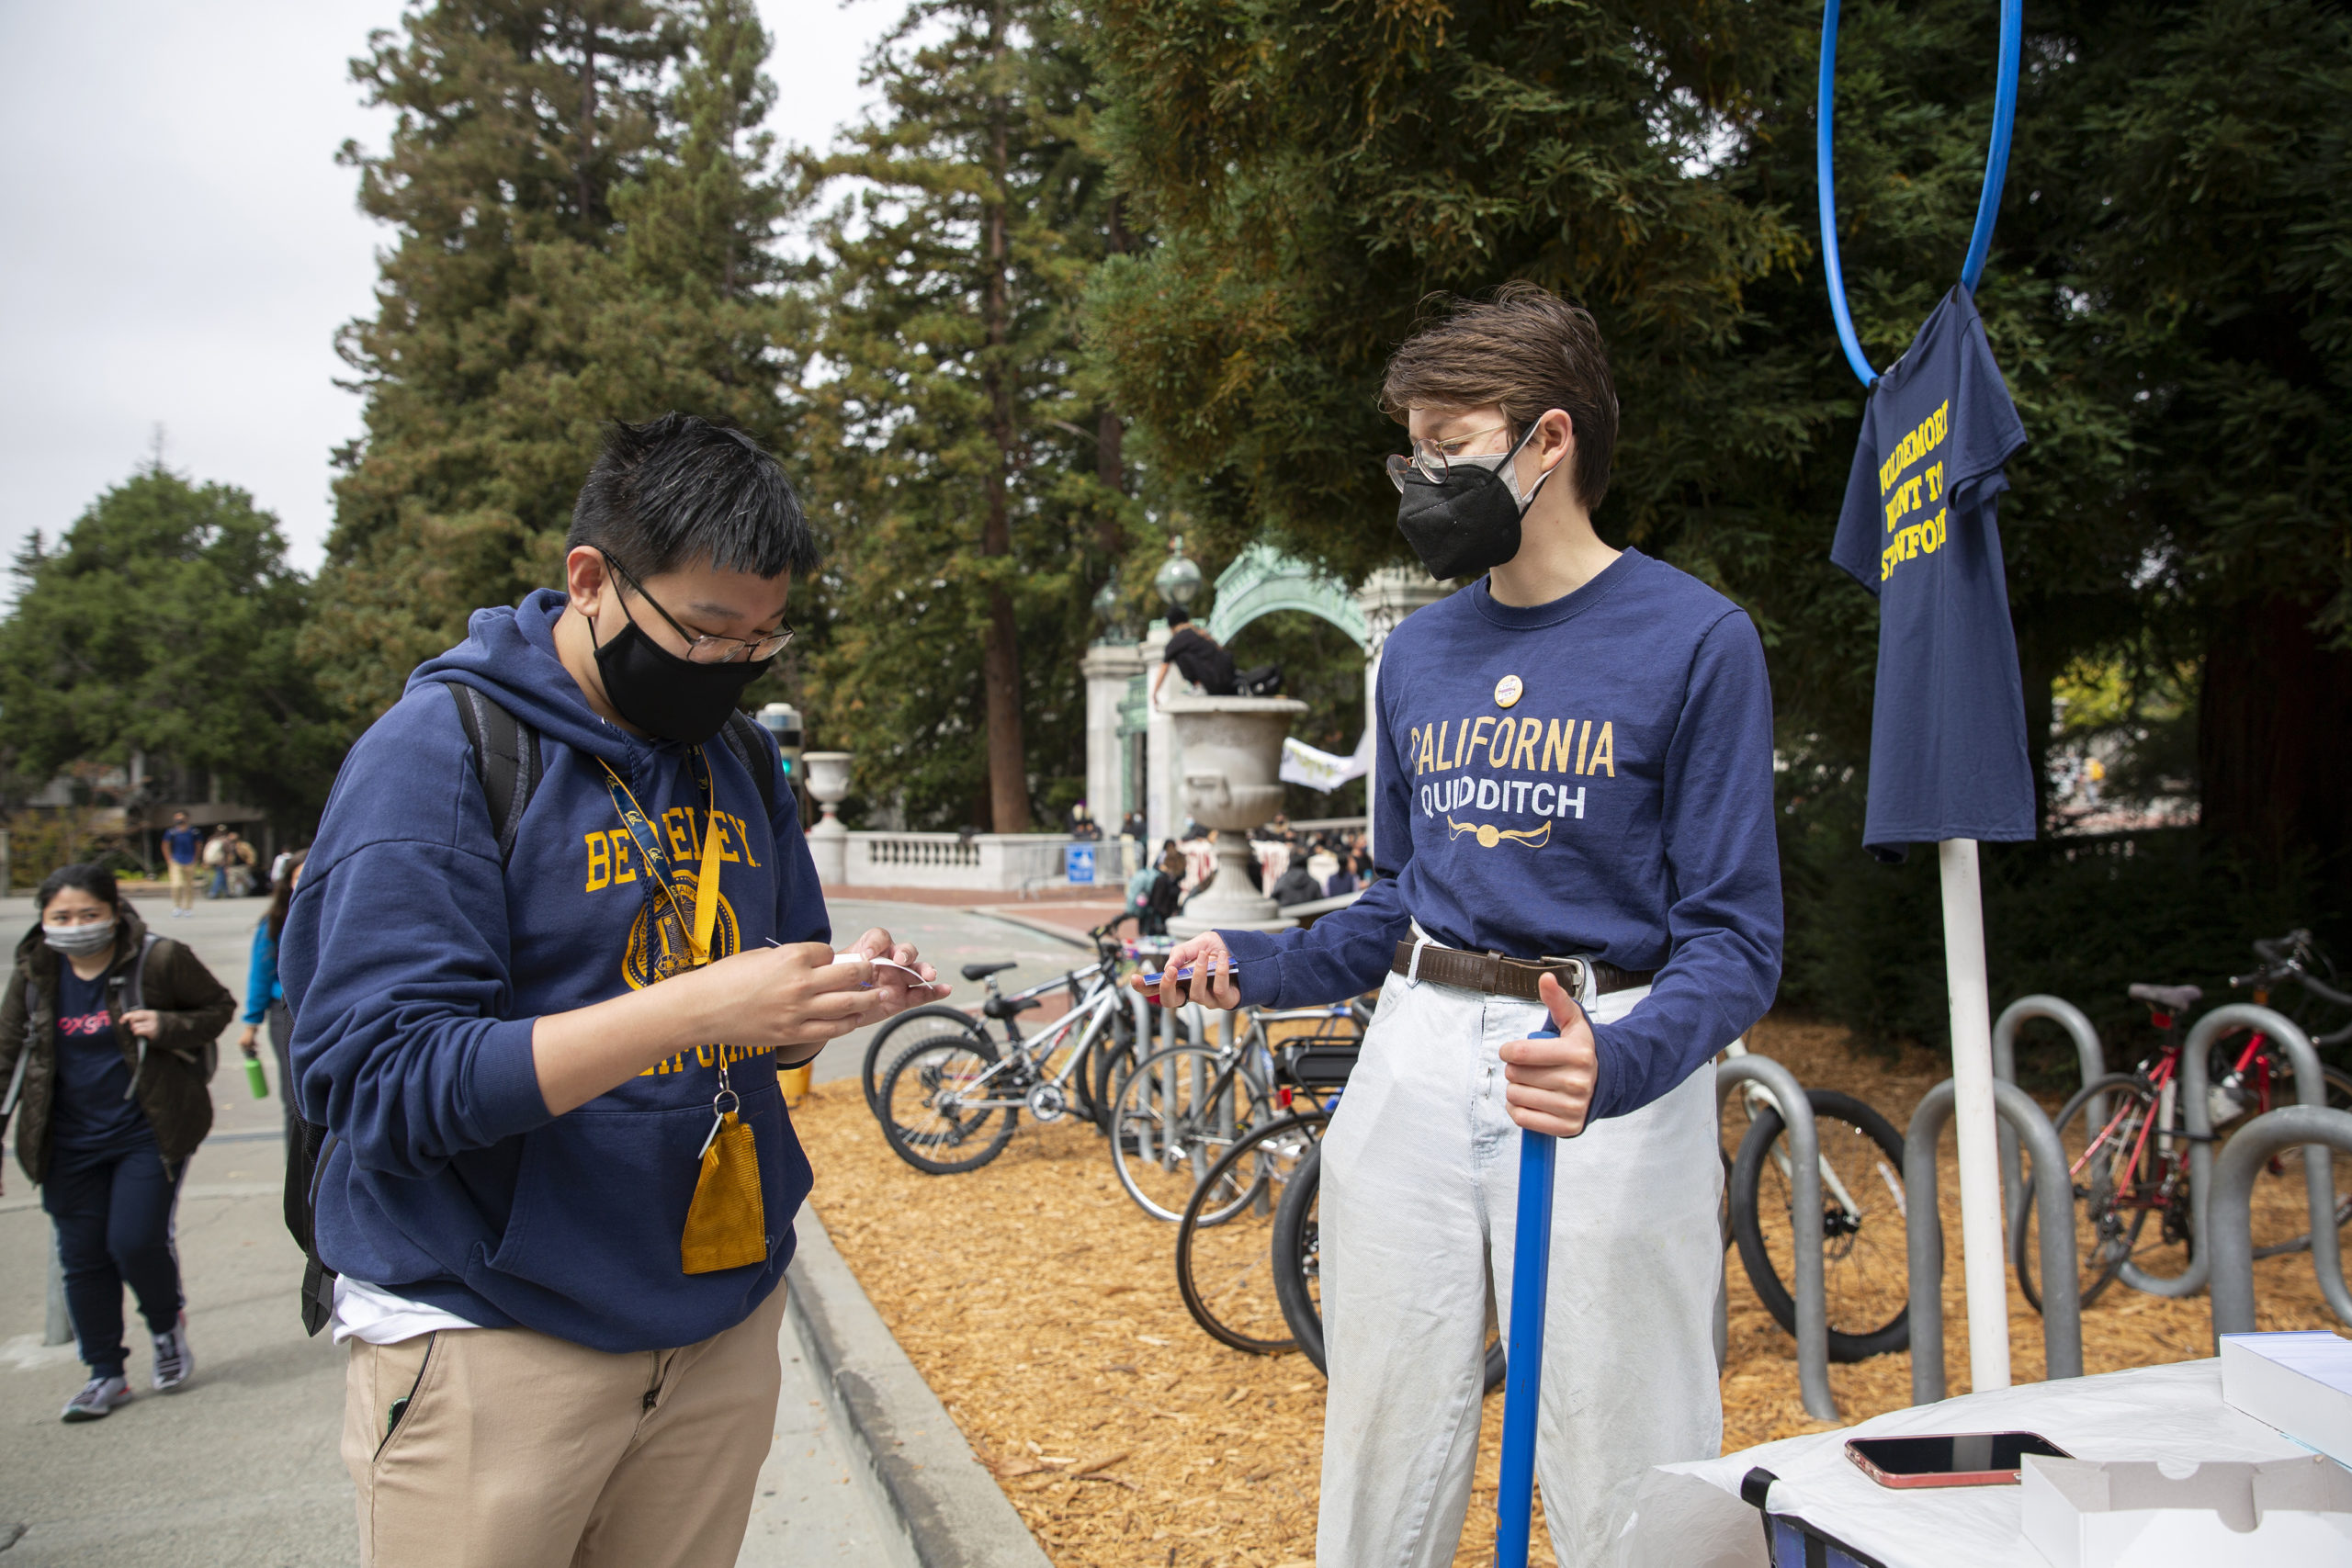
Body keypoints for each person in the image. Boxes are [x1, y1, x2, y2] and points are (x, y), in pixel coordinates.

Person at [1140, 285, 1781, 1566]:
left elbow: (1735, 939)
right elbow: (1394, 896)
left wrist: (1621, 1062)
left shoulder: (1698, 639)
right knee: (1387, 1425)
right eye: (1413, 450)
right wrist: (1251, 960)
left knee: (1627, 1439)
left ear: (1549, 442)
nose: (1424, 477)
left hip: (1602, 1045)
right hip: (1416, 1053)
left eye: (1451, 445)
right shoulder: (1418, 655)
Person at [281, 413, 939, 1568]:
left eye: (765, 640)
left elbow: (771, 1029)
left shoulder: (737, 759)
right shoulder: (438, 752)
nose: (734, 666)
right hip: (491, 1335)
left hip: (715, 1321)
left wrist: (828, 998)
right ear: (590, 580)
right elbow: (377, 1084)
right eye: (706, 630)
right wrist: (696, 1011)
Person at [0, 864, 236, 1421]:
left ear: (114, 912)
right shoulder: (34, 974)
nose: (75, 926)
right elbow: (6, 1054)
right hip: (66, 1141)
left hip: (147, 1130)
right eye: (61, 917)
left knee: (134, 1241)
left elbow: (217, 1008)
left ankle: (165, 1327)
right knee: (80, 1258)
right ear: (43, 921)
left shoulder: (158, 958)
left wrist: (166, 1024)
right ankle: (104, 1372)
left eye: (89, 914)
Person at [238, 852, 303, 1134]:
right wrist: (250, 1024)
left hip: (333, 1012)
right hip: (285, 1014)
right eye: (299, 877)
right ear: (288, 882)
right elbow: (260, 975)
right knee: (295, 1100)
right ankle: (297, 1175)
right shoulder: (275, 922)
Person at [1150, 606, 1283, 702]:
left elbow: (1164, 668)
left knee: (1181, 656)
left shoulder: (1177, 640)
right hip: (1228, 676)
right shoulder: (1200, 633)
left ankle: (1198, 687)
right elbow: (1219, 649)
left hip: (1213, 684)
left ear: (1171, 625)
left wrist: (1154, 693)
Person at [160, 812, 202, 919]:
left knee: (188, 886)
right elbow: (165, 845)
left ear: (187, 819)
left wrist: (195, 859)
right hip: (176, 861)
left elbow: (198, 845)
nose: (179, 820)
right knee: (176, 885)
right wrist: (169, 859)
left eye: (181, 818)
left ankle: (188, 908)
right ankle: (177, 907)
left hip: (190, 861)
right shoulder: (171, 832)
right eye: (177, 818)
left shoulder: (194, 832)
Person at [201, 828, 232, 899]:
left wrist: (205, 861)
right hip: (220, 861)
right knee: (220, 875)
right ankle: (213, 892)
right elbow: (228, 852)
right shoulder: (225, 840)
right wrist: (228, 862)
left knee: (222, 876)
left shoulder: (212, 839)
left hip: (212, 861)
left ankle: (227, 892)